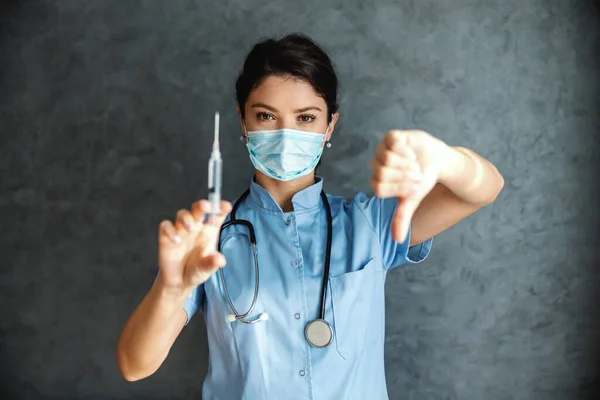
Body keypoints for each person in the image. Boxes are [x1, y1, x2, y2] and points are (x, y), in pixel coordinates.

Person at [117, 33, 504, 399]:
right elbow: (135, 366)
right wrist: (171, 288)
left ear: (329, 124)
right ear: (243, 120)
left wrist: (447, 161)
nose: (286, 134)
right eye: (266, 116)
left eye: (306, 118)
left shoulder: (370, 226)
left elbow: (485, 188)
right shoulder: (208, 241)